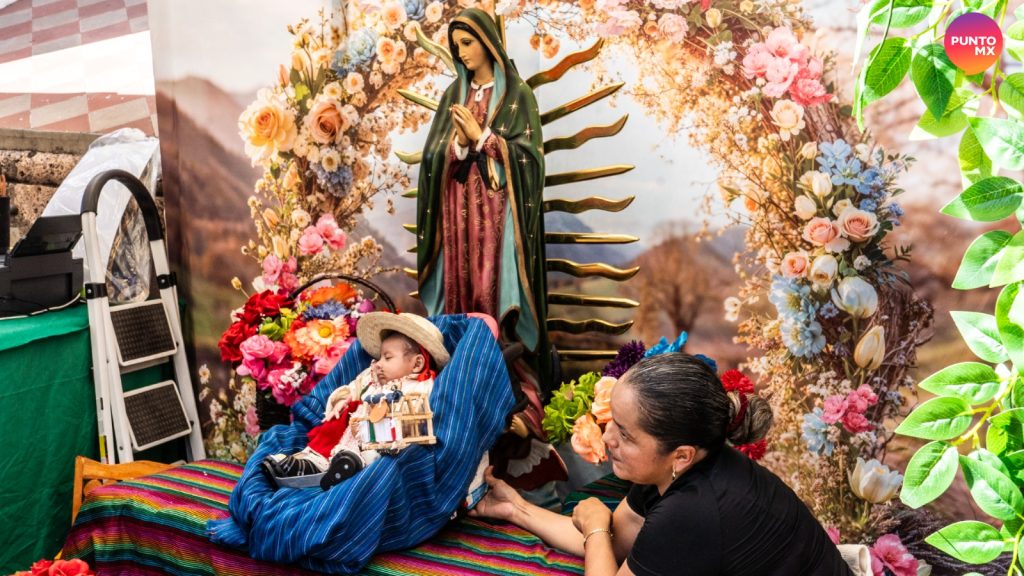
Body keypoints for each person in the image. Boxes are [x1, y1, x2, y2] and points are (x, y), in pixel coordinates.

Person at [470, 353, 853, 575]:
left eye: (625, 434)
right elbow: (618, 540)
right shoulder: (675, 468)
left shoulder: (694, 508)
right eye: (612, 422)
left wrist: (595, 529)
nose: (607, 438)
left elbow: (603, 538)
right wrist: (516, 508)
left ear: (681, 454)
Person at [416, 6, 565, 490]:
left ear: (489, 43)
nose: (461, 52)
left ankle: (515, 402)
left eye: (468, 42)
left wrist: (484, 139)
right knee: (461, 303)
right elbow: (434, 158)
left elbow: (530, 162)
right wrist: (458, 148)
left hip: (499, 228)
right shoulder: (453, 95)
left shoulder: (517, 97)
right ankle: (462, 401)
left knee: (496, 307)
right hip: (458, 221)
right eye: (456, 44)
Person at [262, 312, 450, 490]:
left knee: (374, 450)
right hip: (355, 432)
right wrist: (343, 399)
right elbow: (354, 388)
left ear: (417, 364)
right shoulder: (371, 377)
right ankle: (314, 461)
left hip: (386, 441)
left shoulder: (420, 386)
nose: (378, 364)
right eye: (379, 357)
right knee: (348, 410)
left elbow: (418, 415)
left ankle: (350, 466)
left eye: (387, 357)